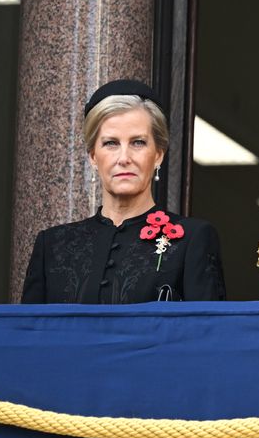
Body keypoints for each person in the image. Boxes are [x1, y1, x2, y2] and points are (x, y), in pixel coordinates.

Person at [21, 79, 226, 304]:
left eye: (138, 142)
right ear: (92, 156)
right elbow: (29, 333)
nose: (124, 158)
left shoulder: (193, 239)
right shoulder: (52, 245)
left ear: (158, 154)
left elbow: (207, 334)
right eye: (111, 143)